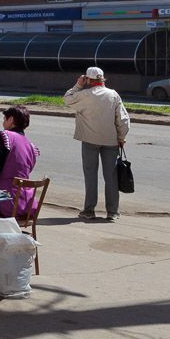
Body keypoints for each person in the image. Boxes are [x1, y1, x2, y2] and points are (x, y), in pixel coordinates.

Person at [63, 66, 130, 222]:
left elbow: (66, 99)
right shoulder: (113, 95)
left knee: (90, 175)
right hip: (110, 140)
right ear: (102, 79)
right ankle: (112, 212)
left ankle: (89, 210)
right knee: (111, 176)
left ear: (88, 79)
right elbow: (123, 120)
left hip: (89, 140)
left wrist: (78, 85)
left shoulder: (84, 95)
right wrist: (121, 137)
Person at [0, 106, 41, 218]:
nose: (3, 122)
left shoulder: (3, 136)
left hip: (6, 201)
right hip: (27, 205)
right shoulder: (29, 145)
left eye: (4, 119)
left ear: (11, 119)